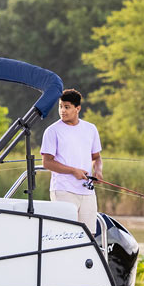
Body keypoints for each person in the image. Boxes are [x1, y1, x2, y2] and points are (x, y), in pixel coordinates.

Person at [40, 88, 103, 234]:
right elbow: (47, 162)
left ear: (77, 108)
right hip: (63, 190)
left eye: (67, 107)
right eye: (60, 106)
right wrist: (73, 171)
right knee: (66, 234)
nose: (62, 110)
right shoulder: (52, 131)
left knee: (89, 235)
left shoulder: (90, 129)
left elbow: (96, 157)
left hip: (87, 192)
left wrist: (98, 171)